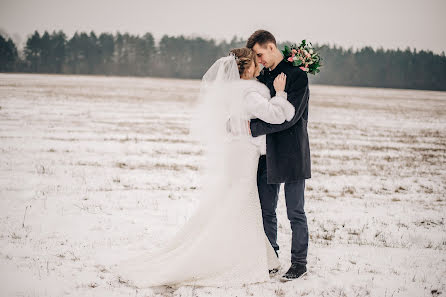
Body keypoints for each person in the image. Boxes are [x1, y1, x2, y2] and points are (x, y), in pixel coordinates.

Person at [111, 47, 295, 287]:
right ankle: (235, 256)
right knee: (241, 200)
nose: (259, 66)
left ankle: (248, 252)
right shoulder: (250, 92)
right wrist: (280, 95)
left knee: (234, 199)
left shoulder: (229, 92)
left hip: (234, 152)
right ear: (246, 68)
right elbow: (275, 116)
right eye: (254, 63)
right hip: (244, 153)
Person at [245, 30, 311, 280]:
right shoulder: (262, 78)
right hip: (267, 153)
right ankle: (270, 258)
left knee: (295, 211)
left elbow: (290, 118)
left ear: (271, 47)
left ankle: (299, 264)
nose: (259, 60)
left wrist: (252, 128)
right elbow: (261, 110)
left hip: (293, 151)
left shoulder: (297, 76)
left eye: (260, 54)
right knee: (266, 210)